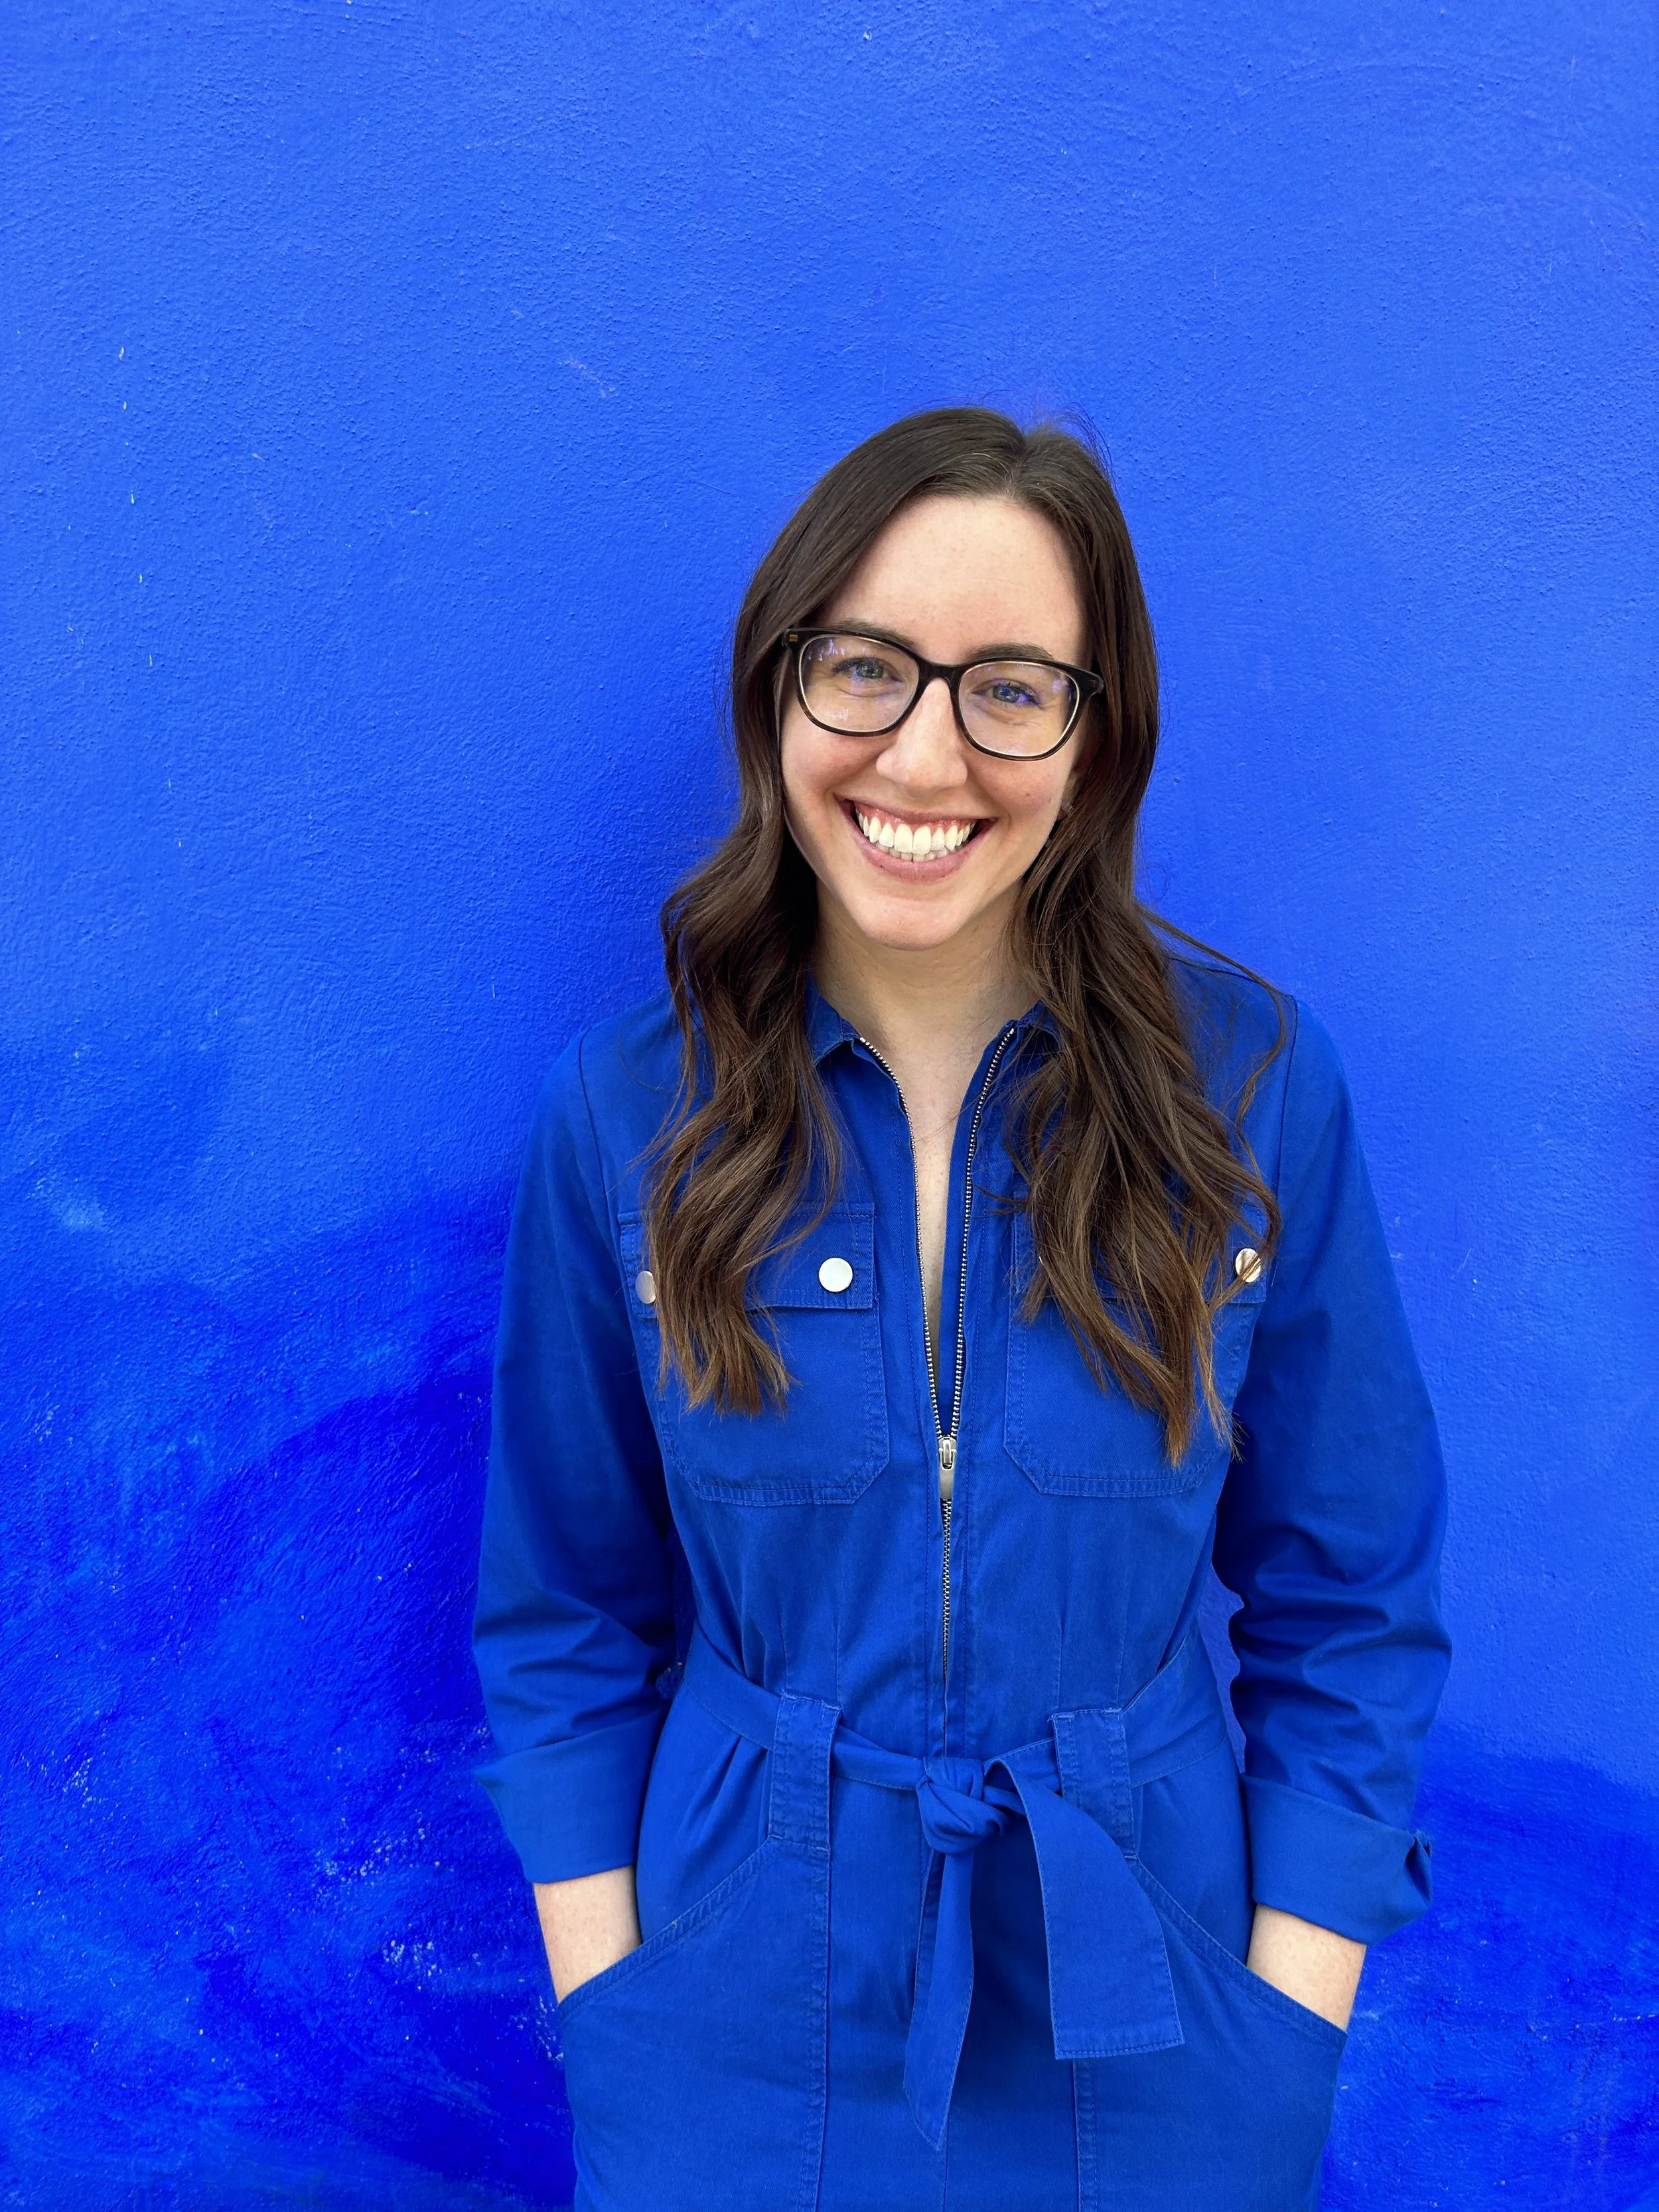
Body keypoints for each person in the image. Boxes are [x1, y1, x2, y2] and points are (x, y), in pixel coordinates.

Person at [472, 407, 1450, 2211]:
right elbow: (564, 1612)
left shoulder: (1252, 1090)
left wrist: (1284, 2024)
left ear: (1095, 735)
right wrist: (614, 1998)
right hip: (726, 2021)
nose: (925, 750)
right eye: (865, 669)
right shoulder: (628, 1116)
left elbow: (1353, 1598)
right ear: (778, 695)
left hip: (1151, 2020)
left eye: (1009, 686)